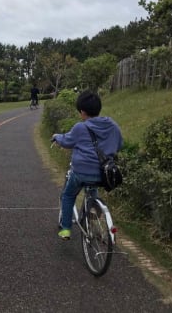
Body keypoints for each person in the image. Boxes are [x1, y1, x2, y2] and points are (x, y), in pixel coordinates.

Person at [52, 90, 123, 240]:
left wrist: (56, 137)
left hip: (81, 172)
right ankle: (94, 224)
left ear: (82, 111)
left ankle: (65, 229)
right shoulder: (112, 125)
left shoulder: (80, 127)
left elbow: (66, 141)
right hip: (103, 173)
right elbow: (119, 144)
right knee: (92, 191)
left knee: (68, 195)